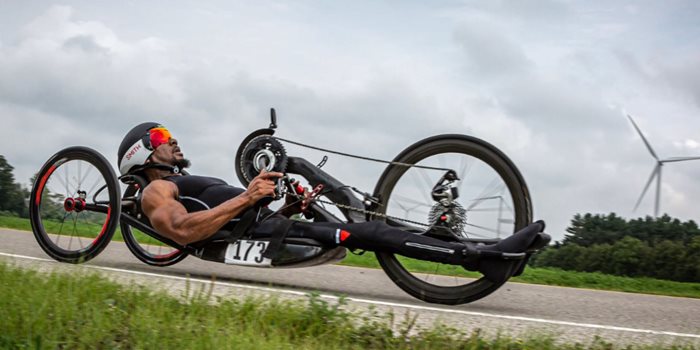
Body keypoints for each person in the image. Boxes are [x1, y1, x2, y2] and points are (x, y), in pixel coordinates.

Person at [117, 122, 545, 268]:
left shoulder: (185, 181)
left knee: (376, 227)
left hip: (270, 225)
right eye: (161, 135)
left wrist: (289, 204)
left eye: (171, 134)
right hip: (268, 234)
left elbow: (236, 219)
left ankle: (488, 248)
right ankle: (482, 258)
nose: (173, 141)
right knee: (370, 233)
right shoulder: (157, 189)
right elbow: (181, 230)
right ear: (140, 153)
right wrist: (249, 196)